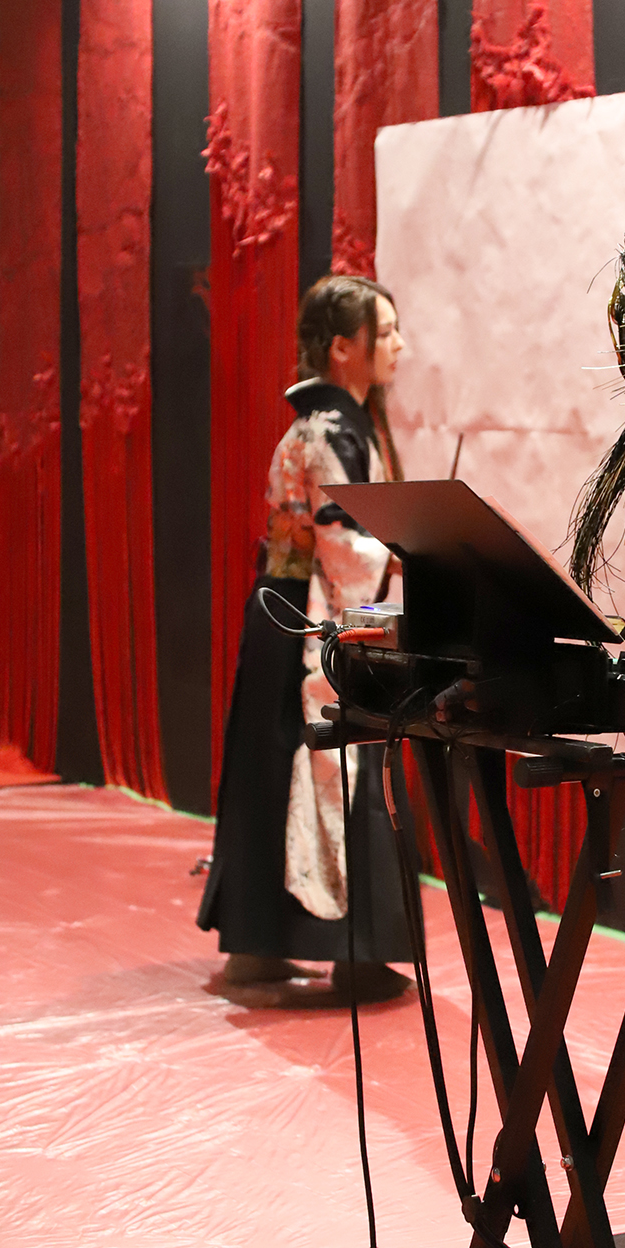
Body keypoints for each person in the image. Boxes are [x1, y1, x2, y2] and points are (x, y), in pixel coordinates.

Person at [198, 275, 422, 1003]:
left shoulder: (324, 426)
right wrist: (412, 550)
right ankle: (351, 953)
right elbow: (341, 541)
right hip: (313, 617)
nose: (397, 345)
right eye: (383, 333)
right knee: (328, 762)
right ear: (342, 350)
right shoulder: (331, 431)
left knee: (278, 769)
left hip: (287, 608)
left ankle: (260, 946)